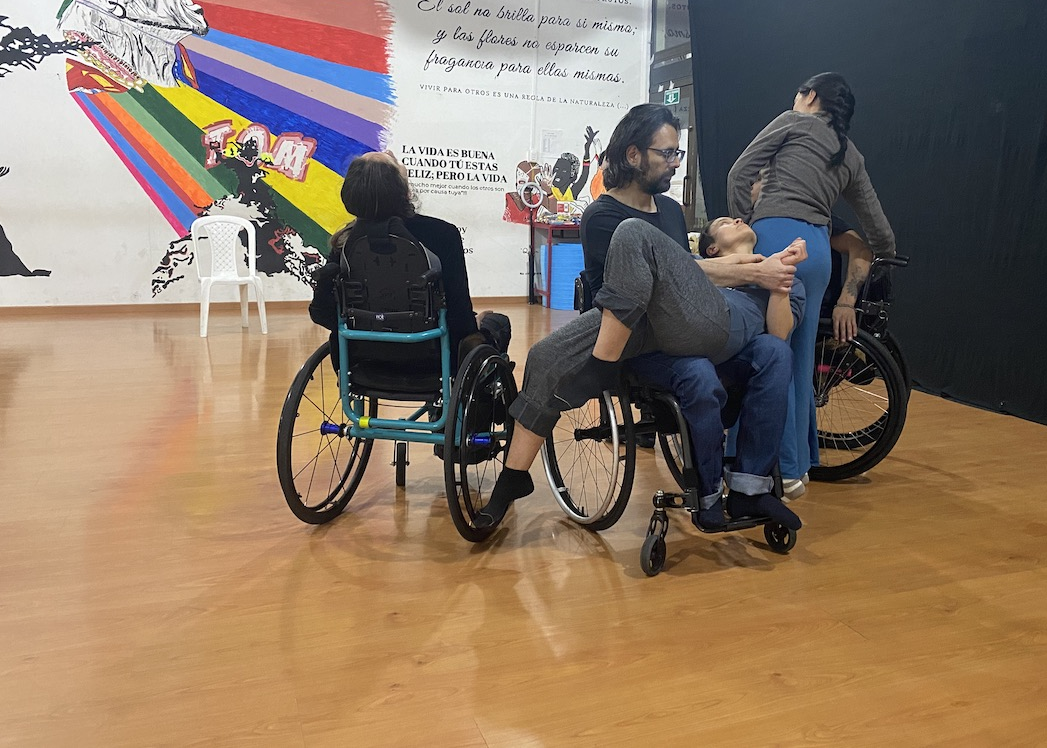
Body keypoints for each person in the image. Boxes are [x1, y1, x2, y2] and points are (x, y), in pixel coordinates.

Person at [475, 104, 803, 532]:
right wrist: (751, 271)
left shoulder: (670, 211)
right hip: (630, 329)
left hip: (676, 324)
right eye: (667, 153)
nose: (675, 163)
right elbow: (649, 285)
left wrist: (754, 273)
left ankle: (748, 487)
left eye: (677, 154)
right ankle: (513, 479)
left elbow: (684, 275)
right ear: (633, 155)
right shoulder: (602, 216)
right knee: (544, 357)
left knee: (772, 350)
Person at [726, 72, 895, 492]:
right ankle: (798, 465)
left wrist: (744, 227)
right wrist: (884, 256)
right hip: (818, 251)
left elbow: (739, 172)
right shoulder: (850, 154)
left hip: (775, 241)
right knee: (800, 361)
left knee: (767, 355)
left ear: (810, 95)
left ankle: (774, 470)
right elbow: (878, 230)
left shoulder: (792, 122)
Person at [309, 151, 510, 367]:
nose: (389, 152)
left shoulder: (346, 242)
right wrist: (475, 325)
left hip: (362, 361)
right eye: (393, 161)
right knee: (498, 323)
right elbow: (459, 317)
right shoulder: (443, 234)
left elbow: (322, 313)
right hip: (432, 362)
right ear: (403, 190)